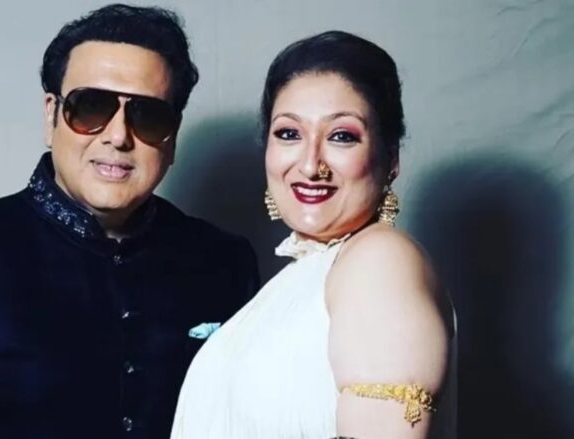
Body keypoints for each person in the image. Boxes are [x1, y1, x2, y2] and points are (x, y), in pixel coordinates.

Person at [0, 4, 260, 438]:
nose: (118, 136)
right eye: (91, 107)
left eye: (147, 115)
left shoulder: (225, 263)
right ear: (51, 116)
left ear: (171, 138)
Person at [171, 30, 456, 439]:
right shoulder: (303, 280)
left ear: (391, 159)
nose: (309, 165)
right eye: (289, 133)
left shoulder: (380, 260)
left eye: (342, 136)